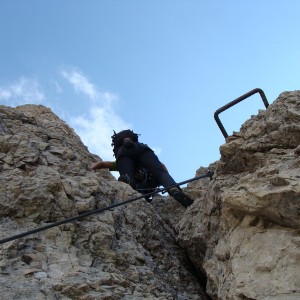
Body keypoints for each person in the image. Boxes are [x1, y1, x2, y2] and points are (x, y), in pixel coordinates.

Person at [91, 129, 193, 208]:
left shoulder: (120, 165)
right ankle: (173, 189)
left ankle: (127, 181)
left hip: (123, 153)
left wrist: (89, 168)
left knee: (128, 177)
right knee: (160, 174)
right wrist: (168, 181)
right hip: (141, 148)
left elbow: (102, 164)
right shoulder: (151, 174)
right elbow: (161, 168)